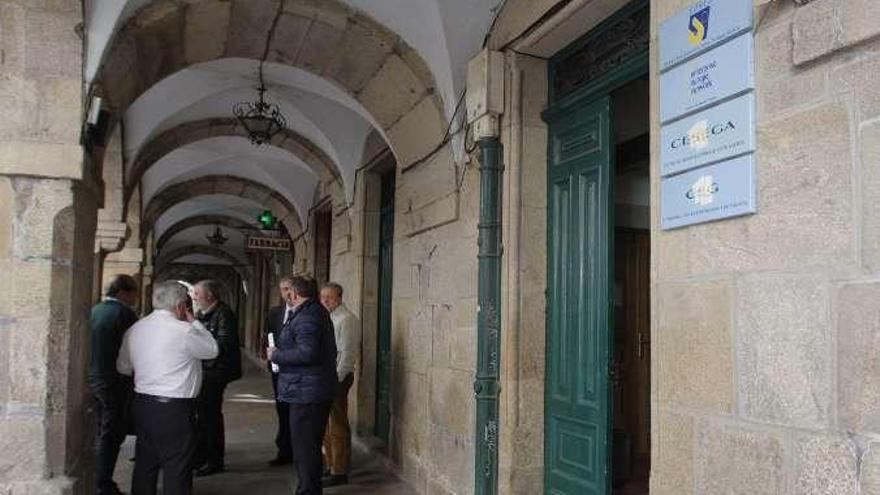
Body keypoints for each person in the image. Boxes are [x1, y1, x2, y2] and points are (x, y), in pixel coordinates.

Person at [116, 281, 219, 495]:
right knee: (177, 466)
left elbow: (123, 367)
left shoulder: (136, 328)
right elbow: (212, 350)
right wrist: (196, 323)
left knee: (145, 463)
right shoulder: (185, 331)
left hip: (143, 405)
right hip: (175, 409)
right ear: (182, 306)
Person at [268, 276, 337, 495]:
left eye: (288, 292)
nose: (286, 295)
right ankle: (307, 487)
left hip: (307, 392)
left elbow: (308, 353)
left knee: (305, 448)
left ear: (295, 294)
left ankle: (308, 490)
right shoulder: (310, 312)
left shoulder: (308, 316)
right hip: (306, 388)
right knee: (306, 446)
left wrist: (276, 354)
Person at [90, 274, 140, 495]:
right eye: (133, 293)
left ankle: (95, 476)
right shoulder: (124, 314)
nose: (135, 298)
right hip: (113, 381)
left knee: (99, 429)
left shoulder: (95, 310)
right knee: (112, 432)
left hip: (93, 378)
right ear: (123, 292)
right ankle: (103, 482)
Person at [192, 279, 242, 476]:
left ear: (209, 296)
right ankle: (202, 456)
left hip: (216, 371)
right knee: (202, 416)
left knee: (210, 416)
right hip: (206, 370)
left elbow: (222, 345)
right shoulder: (202, 314)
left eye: (197, 293)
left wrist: (204, 360)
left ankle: (214, 460)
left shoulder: (224, 314)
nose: (194, 297)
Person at [319, 282, 362, 487]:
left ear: (339, 297)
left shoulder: (347, 320)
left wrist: (335, 380)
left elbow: (347, 354)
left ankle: (340, 470)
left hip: (338, 378)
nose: (326, 300)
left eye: (330, 297)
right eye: (323, 297)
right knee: (326, 424)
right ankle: (330, 464)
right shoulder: (329, 318)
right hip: (327, 377)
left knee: (337, 424)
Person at [265, 277, 295, 466]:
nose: (287, 293)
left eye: (290, 289)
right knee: (282, 410)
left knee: (299, 414)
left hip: (299, 372)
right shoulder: (275, 313)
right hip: (279, 371)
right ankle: (284, 451)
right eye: (283, 289)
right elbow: (269, 337)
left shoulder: (305, 313)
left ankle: (300, 452)